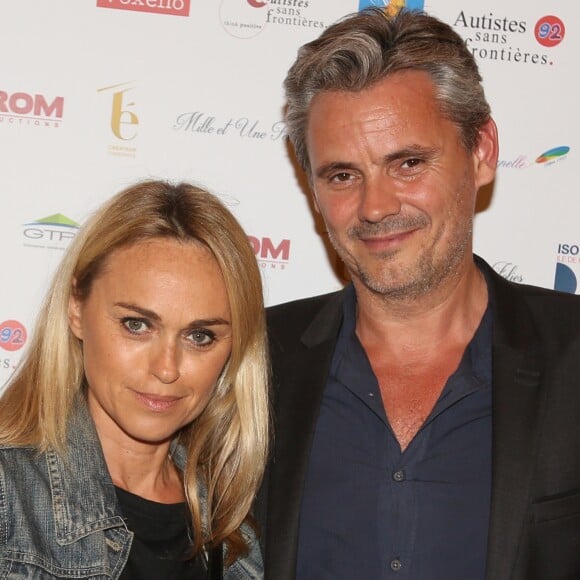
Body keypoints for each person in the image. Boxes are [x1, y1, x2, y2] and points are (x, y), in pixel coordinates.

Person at [256, 8, 580, 580]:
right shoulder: (249, 362)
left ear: (481, 152)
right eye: (342, 175)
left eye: (407, 163)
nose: (376, 207)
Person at [0, 181, 268, 579]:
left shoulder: (233, 529)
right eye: (136, 324)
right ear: (76, 308)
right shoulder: (9, 498)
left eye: (200, 336)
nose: (166, 368)